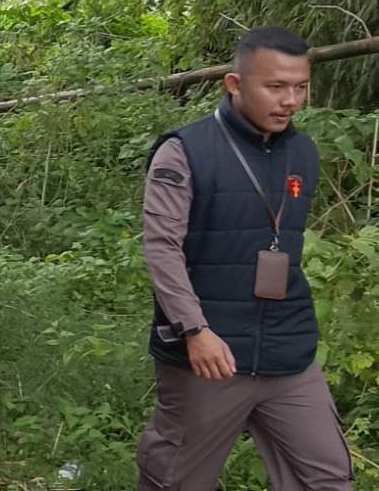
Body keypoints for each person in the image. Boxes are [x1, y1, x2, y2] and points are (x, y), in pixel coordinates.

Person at [136, 27, 351, 491]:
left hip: (287, 351)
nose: (290, 100)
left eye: (300, 87)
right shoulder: (184, 151)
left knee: (326, 478)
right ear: (234, 84)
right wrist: (194, 330)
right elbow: (162, 248)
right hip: (207, 355)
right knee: (176, 480)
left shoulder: (303, 152)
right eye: (275, 86)